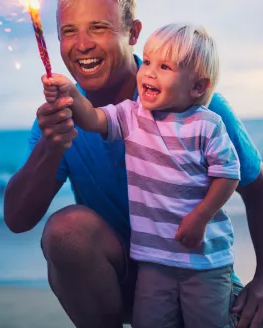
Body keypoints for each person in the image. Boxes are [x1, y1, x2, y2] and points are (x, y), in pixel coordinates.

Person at [3, 0, 263, 328]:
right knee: (66, 231)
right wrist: (52, 146)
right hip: (121, 278)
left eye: (99, 28)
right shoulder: (61, 118)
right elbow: (16, 219)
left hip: (196, 273)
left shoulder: (197, 107)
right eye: (69, 31)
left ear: (133, 33)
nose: (82, 43)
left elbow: (259, 188)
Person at [43, 22, 241, 327]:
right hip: (152, 260)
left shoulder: (208, 124)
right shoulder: (132, 115)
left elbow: (228, 174)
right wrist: (69, 92)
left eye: (164, 67)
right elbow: (93, 119)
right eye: (147, 61)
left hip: (204, 262)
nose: (148, 72)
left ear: (198, 87)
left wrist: (201, 216)